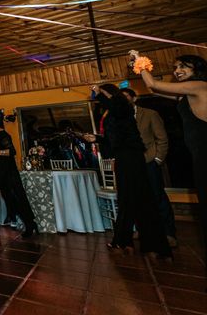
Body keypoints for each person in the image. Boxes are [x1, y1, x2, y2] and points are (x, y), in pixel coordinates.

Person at [131, 52, 207, 266]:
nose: (177, 71)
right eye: (175, 67)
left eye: (184, 67)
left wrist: (139, 60)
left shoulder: (199, 86)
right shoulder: (185, 94)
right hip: (200, 155)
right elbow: (152, 88)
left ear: (197, 70)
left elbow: (153, 83)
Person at [86, 84, 171, 257]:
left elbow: (118, 105)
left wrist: (99, 94)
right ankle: (130, 241)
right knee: (130, 198)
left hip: (133, 157)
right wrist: (97, 139)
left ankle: (147, 243)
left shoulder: (121, 106)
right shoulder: (114, 113)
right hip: (124, 157)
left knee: (140, 199)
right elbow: (116, 139)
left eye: (103, 94)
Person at [121, 87, 176, 247]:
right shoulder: (120, 118)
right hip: (131, 166)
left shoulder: (150, 114)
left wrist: (158, 159)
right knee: (137, 198)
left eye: (125, 97)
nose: (123, 101)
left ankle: (168, 233)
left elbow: (162, 138)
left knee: (158, 197)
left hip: (149, 162)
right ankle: (143, 229)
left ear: (134, 98)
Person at [0, 114, 37, 238]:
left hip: (7, 172)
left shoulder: (4, 135)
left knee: (16, 198)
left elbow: (12, 151)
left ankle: (30, 223)